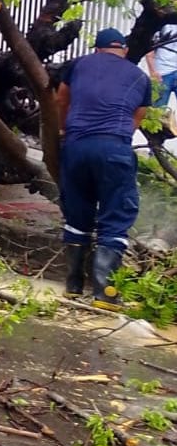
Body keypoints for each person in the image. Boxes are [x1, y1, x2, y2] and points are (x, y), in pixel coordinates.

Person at [56, 28, 149, 309]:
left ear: (97, 49)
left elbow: (62, 98)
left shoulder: (78, 64)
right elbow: (139, 116)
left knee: (77, 211)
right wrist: (116, 140)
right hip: (114, 148)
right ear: (124, 52)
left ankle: (73, 285)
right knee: (117, 212)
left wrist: (64, 128)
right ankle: (104, 292)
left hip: (76, 146)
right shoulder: (139, 76)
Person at [146, 22, 177, 107]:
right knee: (158, 111)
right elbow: (149, 48)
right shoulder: (163, 22)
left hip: (164, 71)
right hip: (162, 73)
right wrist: (153, 72)